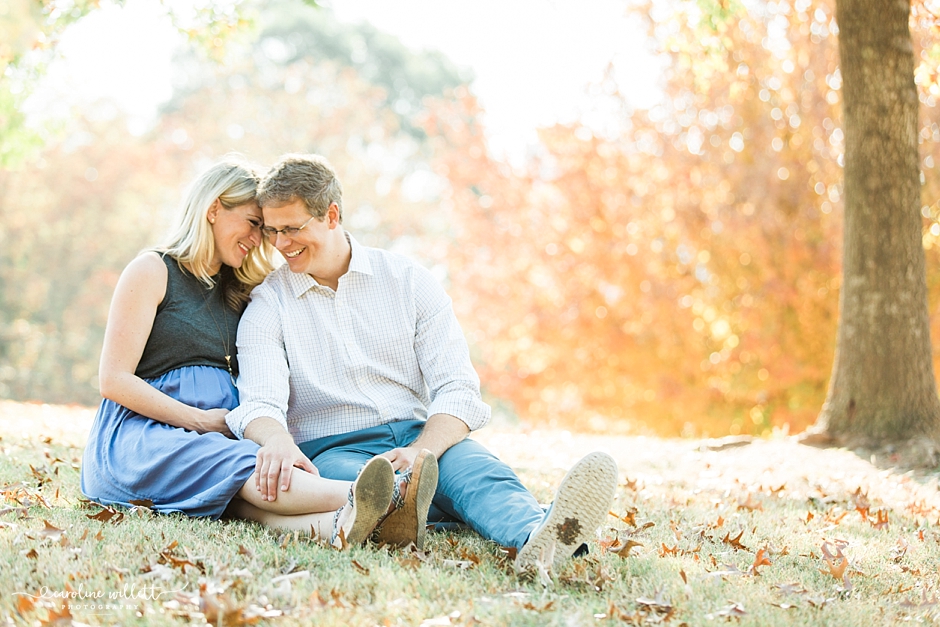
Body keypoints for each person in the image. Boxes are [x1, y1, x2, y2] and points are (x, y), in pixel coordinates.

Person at [226, 153, 619, 573]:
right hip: (335, 450)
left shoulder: (408, 281)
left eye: (293, 228)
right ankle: (468, 512)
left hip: (421, 436)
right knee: (375, 494)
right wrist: (277, 440)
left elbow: (457, 389)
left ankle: (541, 541)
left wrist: (422, 450)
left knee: (480, 476)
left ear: (332, 215)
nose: (281, 244)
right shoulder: (269, 304)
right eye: (272, 231)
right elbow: (259, 402)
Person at [80, 158, 397, 547]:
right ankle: (387, 497)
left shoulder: (248, 290)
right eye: (251, 222)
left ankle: (341, 525)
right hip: (147, 435)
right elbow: (113, 380)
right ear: (214, 209)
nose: (259, 238)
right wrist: (198, 420)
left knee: (247, 496)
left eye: (263, 230)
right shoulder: (153, 270)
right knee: (245, 467)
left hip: (220, 435)